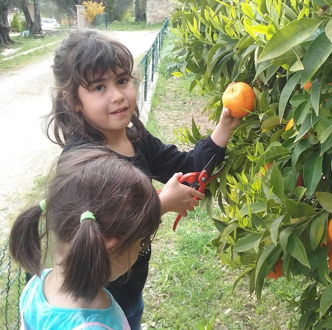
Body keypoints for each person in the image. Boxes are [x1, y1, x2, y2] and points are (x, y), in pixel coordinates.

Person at [45, 30, 240, 328]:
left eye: (122, 80)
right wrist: (160, 204)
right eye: (99, 87)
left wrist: (224, 128)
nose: (118, 95)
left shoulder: (135, 138)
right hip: (94, 304)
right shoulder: (82, 163)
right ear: (73, 101)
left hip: (129, 290)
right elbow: (100, 234)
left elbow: (188, 169)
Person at [9, 148, 162, 329]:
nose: (140, 249)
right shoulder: (96, 325)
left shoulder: (36, 284)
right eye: (141, 242)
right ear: (111, 245)